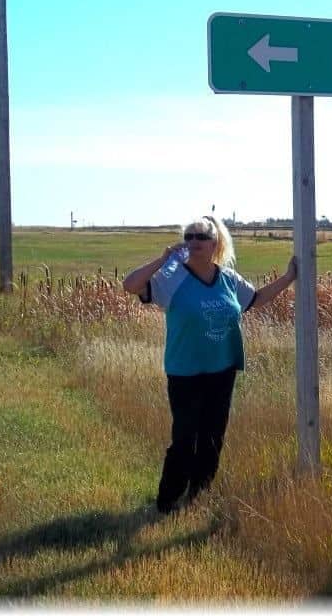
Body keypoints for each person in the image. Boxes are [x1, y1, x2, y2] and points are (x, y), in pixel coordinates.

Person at [122, 215, 297, 514]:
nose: (193, 242)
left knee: (213, 436)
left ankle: (198, 495)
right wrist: (162, 259)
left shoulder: (228, 279)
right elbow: (131, 285)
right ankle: (167, 501)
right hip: (185, 371)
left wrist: (289, 277)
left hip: (222, 368)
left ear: (215, 243)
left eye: (201, 237)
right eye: (188, 236)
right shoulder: (171, 277)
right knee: (184, 437)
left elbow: (257, 298)